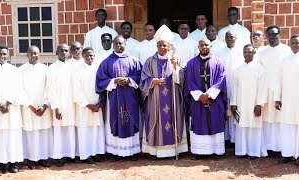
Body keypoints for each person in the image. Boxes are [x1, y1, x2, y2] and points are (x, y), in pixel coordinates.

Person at [140, 25, 188, 158]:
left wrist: (176, 68)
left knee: (172, 121)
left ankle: (173, 150)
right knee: (156, 121)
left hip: (173, 99)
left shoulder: (176, 60)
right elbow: (143, 80)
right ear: (156, 47)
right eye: (159, 45)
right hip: (154, 100)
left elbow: (184, 78)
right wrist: (152, 82)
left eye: (164, 45)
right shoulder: (149, 61)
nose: (162, 48)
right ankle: (155, 151)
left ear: (169, 46)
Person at [96, 36, 142, 161]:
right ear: (112, 44)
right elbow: (100, 80)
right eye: (116, 43)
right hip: (114, 99)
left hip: (130, 98)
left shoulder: (134, 61)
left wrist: (129, 80)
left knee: (131, 121)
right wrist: (114, 81)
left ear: (125, 44)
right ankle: (115, 151)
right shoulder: (106, 62)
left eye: (121, 43)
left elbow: (141, 76)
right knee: (115, 121)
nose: (118, 45)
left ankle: (132, 151)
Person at [184, 39, 226, 158]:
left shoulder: (218, 62)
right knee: (198, 122)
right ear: (198, 47)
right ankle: (199, 151)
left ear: (211, 46)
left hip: (214, 100)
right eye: (202, 45)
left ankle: (217, 151)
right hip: (197, 101)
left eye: (206, 45)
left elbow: (221, 79)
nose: (204, 47)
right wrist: (200, 96)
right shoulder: (191, 63)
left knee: (215, 121)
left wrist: (209, 95)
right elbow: (189, 80)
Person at [0, 45, 24, 174]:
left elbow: (18, 88)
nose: (3, 56)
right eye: (0, 54)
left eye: (5, 54)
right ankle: (0, 163)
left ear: (8, 54)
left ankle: (13, 163)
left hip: (11, 108)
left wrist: (8, 102)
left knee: (12, 135)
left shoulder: (15, 70)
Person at [257, 25, 292, 155]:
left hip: (281, 90)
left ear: (280, 34)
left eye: (274, 34)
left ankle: (280, 148)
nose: (271, 37)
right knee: (267, 119)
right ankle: (268, 147)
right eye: (269, 35)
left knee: (279, 120)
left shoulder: (286, 51)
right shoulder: (262, 51)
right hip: (265, 90)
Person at [230, 44, 268, 159]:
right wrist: (233, 103)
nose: (247, 54)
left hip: (254, 104)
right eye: (245, 52)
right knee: (241, 126)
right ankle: (242, 151)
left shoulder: (260, 69)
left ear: (254, 53)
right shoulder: (238, 69)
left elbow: (263, 87)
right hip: (241, 103)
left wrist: (259, 104)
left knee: (254, 127)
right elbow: (234, 88)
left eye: (249, 52)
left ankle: (254, 152)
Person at [19, 46, 52, 169]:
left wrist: (44, 105)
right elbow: (20, 90)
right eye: (31, 53)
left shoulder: (45, 69)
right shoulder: (21, 70)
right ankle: (31, 159)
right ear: (27, 55)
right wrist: (31, 105)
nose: (34, 56)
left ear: (39, 55)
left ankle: (43, 158)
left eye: (36, 54)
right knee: (30, 133)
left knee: (43, 133)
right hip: (29, 107)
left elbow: (49, 88)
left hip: (43, 107)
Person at [72, 47, 105, 164]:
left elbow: (102, 86)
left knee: (96, 129)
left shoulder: (98, 69)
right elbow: (76, 89)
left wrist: (100, 102)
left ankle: (95, 152)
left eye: (91, 55)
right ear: (83, 56)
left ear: (94, 56)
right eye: (86, 56)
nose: (89, 58)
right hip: (84, 106)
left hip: (97, 105)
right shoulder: (77, 70)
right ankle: (85, 155)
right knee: (84, 131)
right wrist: (87, 104)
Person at [47, 44, 76, 167]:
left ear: (69, 53)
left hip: (71, 102)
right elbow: (51, 89)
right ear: (56, 52)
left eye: (66, 51)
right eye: (61, 51)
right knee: (59, 129)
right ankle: (60, 156)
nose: (64, 53)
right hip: (58, 102)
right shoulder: (52, 68)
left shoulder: (73, 66)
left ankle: (71, 154)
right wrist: (56, 107)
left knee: (70, 128)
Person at [274, 35, 299, 165]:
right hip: (288, 98)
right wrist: (277, 98)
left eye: (297, 43)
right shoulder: (284, 60)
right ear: (289, 44)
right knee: (287, 126)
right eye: (293, 43)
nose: (296, 45)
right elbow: (278, 80)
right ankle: (288, 154)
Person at [217, 30, 244, 144]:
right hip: (224, 85)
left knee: (235, 110)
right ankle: (226, 138)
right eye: (227, 37)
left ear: (236, 38)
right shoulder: (220, 52)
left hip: (238, 86)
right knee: (224, 112)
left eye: (231, 37)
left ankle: (235, 139)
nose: (229, 39)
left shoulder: (241, 52)